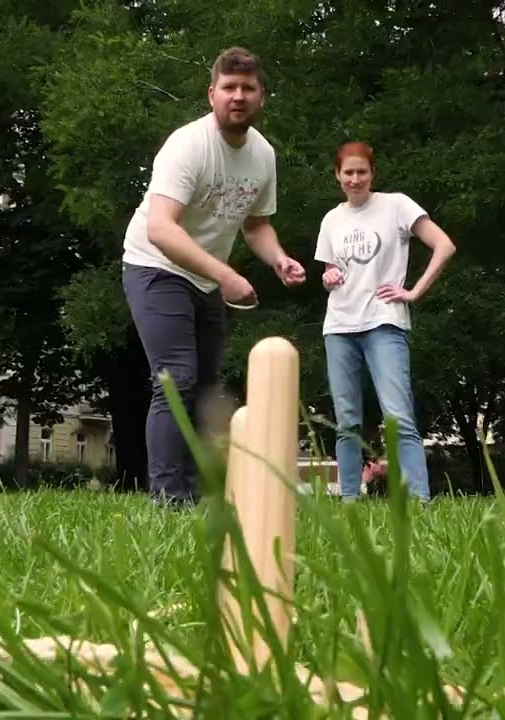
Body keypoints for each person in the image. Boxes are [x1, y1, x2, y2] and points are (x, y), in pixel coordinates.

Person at [121, 47, 306, 507]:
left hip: (204, 278)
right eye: (229, 88)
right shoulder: (188, 145)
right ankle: (167, 498)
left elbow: (256, 224)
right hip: (155, 265)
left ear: (261, 96)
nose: (237, 96)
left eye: (248, 88)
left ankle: (196, 493)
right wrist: (226, 275)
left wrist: (278, 258)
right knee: (176, 379)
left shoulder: (262, 155)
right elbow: (160, 228)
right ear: (212, 94)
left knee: (205, 390)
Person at [314, 141, 456, 502]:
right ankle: (349, 500)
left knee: (398, 417)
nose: (355, 179)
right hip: (339, 326)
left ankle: (419, 500)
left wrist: (414, 291)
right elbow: (331, 272)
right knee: (346, 421)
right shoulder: (332, 219)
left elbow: (444, 245)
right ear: (337, 175)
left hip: (384, 323)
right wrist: (329, 277)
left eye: (361, 172)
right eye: (348, 173)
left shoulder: (396, 205)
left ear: (372, 173)